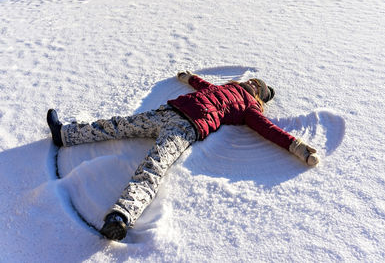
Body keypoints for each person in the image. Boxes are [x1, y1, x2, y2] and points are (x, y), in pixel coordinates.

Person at [46, 71, 319, 241]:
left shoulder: (250, 108)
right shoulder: (223, 88)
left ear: (258, 94)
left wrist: (296, 146)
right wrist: (188, 78)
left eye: (256, 85)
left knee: (154, 166)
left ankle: (120, 216)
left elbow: (267, 129)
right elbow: (202, 85)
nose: (251, 84)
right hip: (167, 113)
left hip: (186, 127)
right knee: (118, 125)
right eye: (252, 81)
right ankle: (65, 135)